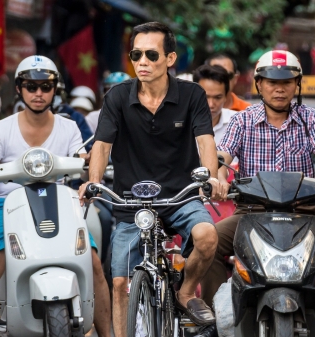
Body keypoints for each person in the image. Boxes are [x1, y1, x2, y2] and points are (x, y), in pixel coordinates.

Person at [78, 22, 222, 336]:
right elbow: (101, 146)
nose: (142, 61)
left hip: (181, 198)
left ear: (170, 59)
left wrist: (209, 179)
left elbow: (206, 142)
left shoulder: (192, 95)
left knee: (207, 236)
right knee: (119, 283)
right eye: (136, 54)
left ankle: (185, 293)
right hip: (132, 203)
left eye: (151, 54)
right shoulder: (117, 97)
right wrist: (93, 181)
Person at [198, 50, 315, 337]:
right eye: (271, 82)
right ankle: (213, 320)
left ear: (297, 84)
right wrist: (218, 179)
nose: (279, 88)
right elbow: (221, 159)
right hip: (250, 216)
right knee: (206, 245)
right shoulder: (243, 120)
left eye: (287, 82)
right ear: (258, 84)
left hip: (303, 216)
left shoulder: (311, 118)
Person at [0, 55, 111, 337]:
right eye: (30, 86)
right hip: (7, 205)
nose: (38, 93)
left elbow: (83, 160)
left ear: (55, 90)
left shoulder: (69, 127)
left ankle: (107, 334)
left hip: (59, 202)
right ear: (19, 89)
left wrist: (92, 161)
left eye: (45, 86)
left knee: (95, 263)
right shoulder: (2, 128)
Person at [192, 65, 238, 145]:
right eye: (205, 97)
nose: (211, 104)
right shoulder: (180, 124)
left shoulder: (238, 124)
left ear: (226, 96)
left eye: (217, 97)